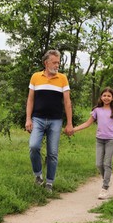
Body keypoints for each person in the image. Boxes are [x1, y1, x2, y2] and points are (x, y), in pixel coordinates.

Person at [25, 49, 73, 193]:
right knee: (33, 146)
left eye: (58, 62)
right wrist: (28, 119)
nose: (57, 65)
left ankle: (49, 183)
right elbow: (30, 99)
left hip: (55, 120)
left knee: (52, 153)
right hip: (38, 119)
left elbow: (67, 101)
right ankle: (38, 175)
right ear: (46, 63)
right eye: (54, 62)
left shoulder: (62, 78)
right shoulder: (35, 77)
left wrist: (69, 123)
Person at [72, 87, 113, 200]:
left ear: (112, 98)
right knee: (98, 164)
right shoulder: (97, 110)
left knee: (107, 164)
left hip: (111, 140)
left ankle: (105, 187)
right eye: (104, 95)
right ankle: (107, 179)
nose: (106, 97)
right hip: (99, 140)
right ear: (101, 97)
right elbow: (87, 123)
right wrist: (73, 129)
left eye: (109, 96)